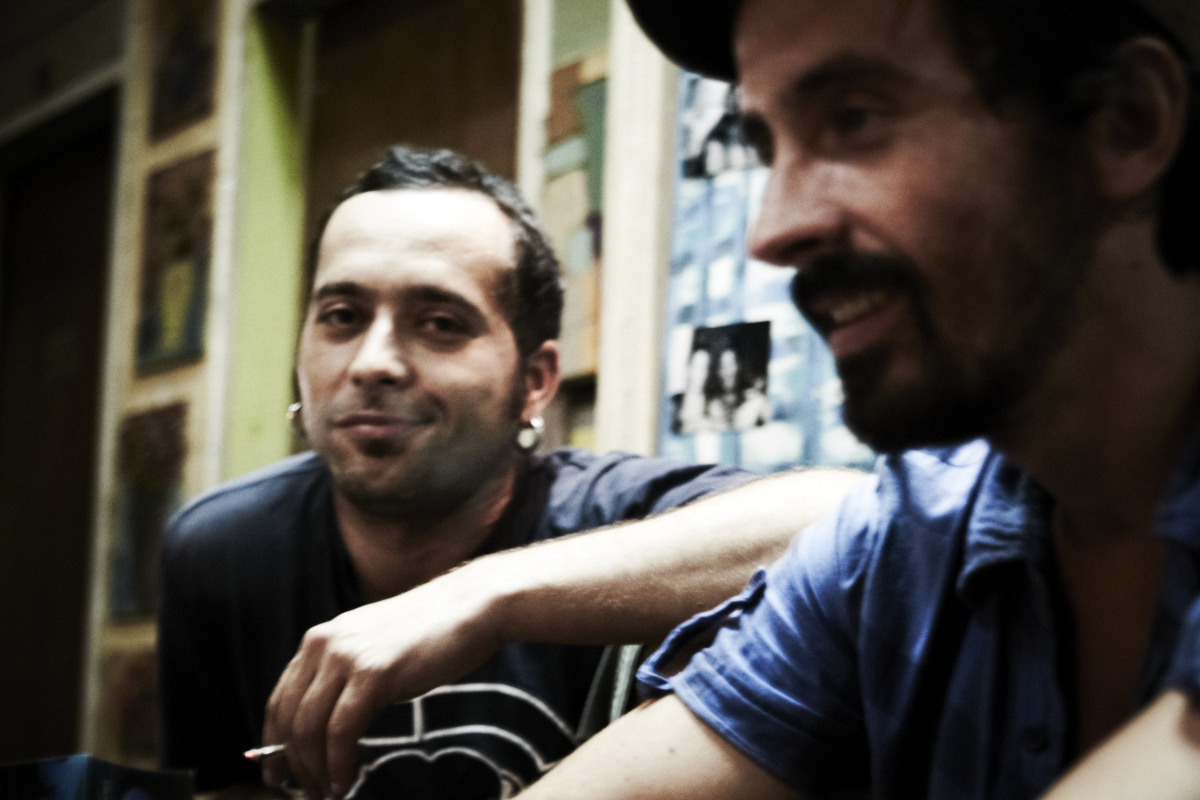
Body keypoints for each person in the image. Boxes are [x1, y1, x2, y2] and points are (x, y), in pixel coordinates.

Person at [505, 0, 1200, 798]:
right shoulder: (905, 545)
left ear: (1125, 121)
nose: (771, 231)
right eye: (767, 150)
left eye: (856, 119)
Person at [158, 146, 866, 800]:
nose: (372, 362)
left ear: (535, 381)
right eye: (341, 316)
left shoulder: (606, 517)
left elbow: (860, 520)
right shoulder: (221, 551)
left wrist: (483, 597)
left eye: (440, 323)